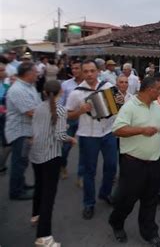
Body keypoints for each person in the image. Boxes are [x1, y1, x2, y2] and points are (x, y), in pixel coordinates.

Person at [109, 77, 160, 247]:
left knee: (150, 200)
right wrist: (141, 130)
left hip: (154, 162)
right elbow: (117, 130)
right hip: (133, 164)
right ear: (150, 90)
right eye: (159, 89)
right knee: (127, 200)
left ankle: (150, 233)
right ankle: (116, 222)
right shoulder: (130, 106)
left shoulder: (156, 107)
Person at [66, 60, 118, 219]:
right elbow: (67, 115)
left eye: (92, 71)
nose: (89, 74)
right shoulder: (76, 93)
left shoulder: (108, 87)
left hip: (108, 132)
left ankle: (105, 193)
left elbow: (117, 105)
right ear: (81, 73)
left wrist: (118, 102)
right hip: (88, 136)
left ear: (97, 71)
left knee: (111, 166)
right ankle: (89, 203)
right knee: (89, 171)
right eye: (86, 71)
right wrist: (80, 111)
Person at [30, 80, 76, 247]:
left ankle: (35, 215)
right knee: (48, 197)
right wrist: (71, 139)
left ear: (43, 92)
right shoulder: (61, 110)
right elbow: (60, 136)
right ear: (61, 92)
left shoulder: (38, 108)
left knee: (39, 187)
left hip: (36, 153)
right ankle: (43, 236)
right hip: (51, 156)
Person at [5, 62, 41, 200]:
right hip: (20, 131)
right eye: (35, 72)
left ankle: (21, 184)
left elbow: (37, 105)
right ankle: (16, 191)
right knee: (19, 162)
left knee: (23, 161)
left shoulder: (28, 86)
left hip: (26, 130)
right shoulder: (18, 89)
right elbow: (31, 111)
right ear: (28, 74)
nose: (37, 74)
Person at [59, 59, 84, 184]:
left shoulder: (90, 84)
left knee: (85, 150)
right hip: (70, 119)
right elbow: (60, 103)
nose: (74, 71)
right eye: (72, 68)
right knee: (65, 148)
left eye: (77, 68)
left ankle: (81, 176)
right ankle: (62, 166)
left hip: (85, 120)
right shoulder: (66, 85)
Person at [0, 62, 11, 175]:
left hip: (5, 118)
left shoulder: (5, 85)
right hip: (3, 117)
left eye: (4, 69)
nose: (4, 72)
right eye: (1, 70)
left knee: (7, 144)